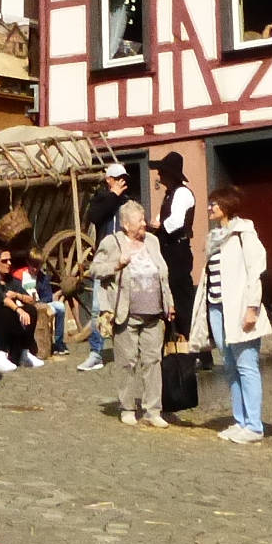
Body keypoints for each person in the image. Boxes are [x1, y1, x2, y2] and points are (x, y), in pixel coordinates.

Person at [91, 198, 174, 427]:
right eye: (139, 221)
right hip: (126, 313)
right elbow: (95, 269)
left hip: (154, 313)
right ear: (126, 224)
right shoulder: (112, 242)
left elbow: (162, 273)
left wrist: (169, 302)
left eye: (144, 219)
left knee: (153, 361)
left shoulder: (153, 242)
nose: (144, 224)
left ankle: (153, 410)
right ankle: (127, 407)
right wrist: (116, 264)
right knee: (127, 362)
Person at [201, 186, 271, 444]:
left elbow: (256, 271)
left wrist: (252, 308)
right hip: (217, 308)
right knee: (230, 366)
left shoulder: (244, 234)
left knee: (246, 366)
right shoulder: (215, 237)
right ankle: (240, 420)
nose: (210, 208)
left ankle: (254, 425)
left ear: (227, 206)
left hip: (240, 308)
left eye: (214, 204)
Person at [78, 163, 132, 372]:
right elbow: (95, 216)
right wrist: (113, 196)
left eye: (123, 178)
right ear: (108, 179)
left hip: (126, 259)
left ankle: (128, 349)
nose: (121, 182)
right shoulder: (101, 199)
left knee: (127, 305)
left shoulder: (128, 202)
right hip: (106, 260)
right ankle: (96, 353)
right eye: (117, 178)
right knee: (97, 309)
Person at [156, 153, 200, 339]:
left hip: (178, 249)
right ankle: (178, 339)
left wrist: (157, 228)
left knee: (182, 299)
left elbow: (176, 222)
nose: (159, 175)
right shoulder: (170, 194)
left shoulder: (182, 193)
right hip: (169, 248)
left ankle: (195, 345)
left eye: (162, 171)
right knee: (171, 295)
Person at [0, 249, 43, 371]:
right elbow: (2, 298)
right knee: (6, 311)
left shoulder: (11, 281)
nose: (9, 263)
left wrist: (18, 296)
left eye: (10, 260)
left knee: (31, 310)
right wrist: (18, 309)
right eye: (4, 261)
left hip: (12, 320)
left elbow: (30, 299)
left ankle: (24, 352)